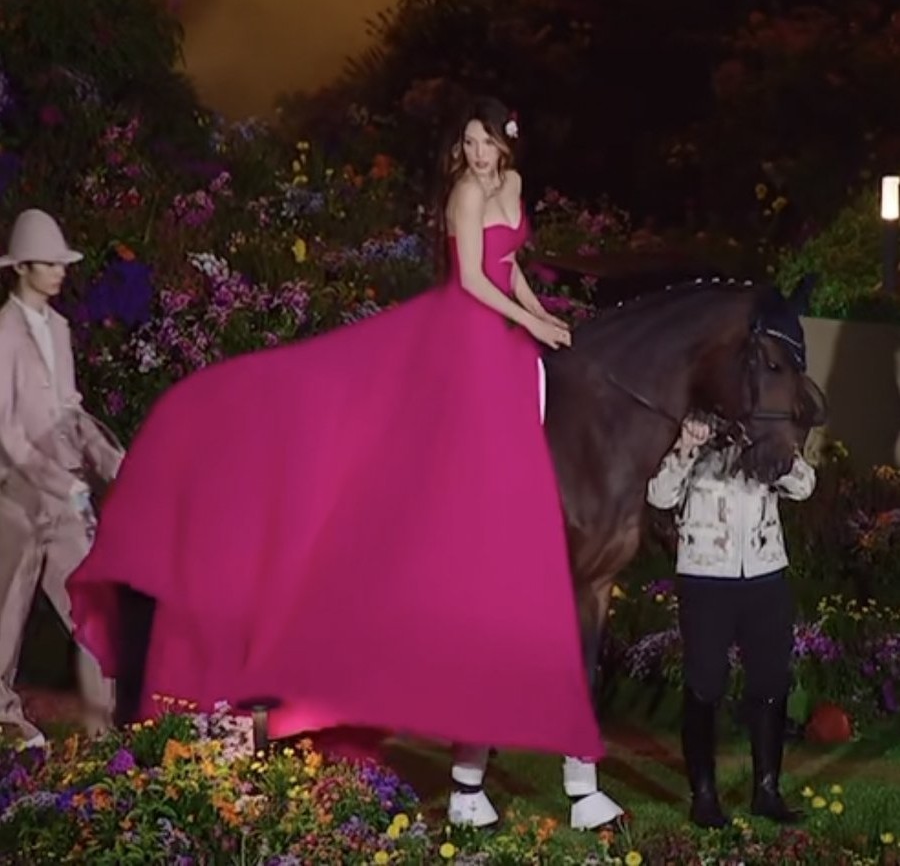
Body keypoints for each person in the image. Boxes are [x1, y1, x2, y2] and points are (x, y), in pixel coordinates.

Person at [67, 97, 621, 828]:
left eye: (486, 142)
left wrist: (543, 313)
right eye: (469, 142)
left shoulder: (513, 188)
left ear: (506, 146)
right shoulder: (464, 193)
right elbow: (472, 282)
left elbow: (510, 267)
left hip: (509, 330)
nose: (477, 154)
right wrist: (527, 321)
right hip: (466, 332)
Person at [647, 416, 816, 828]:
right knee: (704, 684)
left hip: (765, 573)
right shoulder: (693, 432)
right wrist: (686, 448)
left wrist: (778, 455)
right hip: (705, 579)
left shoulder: (764, 432)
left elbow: (805, 486)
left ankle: (767, 791)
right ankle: (704, 796)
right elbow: (660, 495)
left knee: (771, 682)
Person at [0, 208, 123, 747]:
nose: (59, 271)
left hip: (66, 493)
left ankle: (105, 731)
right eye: (48, 263)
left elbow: (69, 408)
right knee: (7, 615)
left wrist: (105, 456)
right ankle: (5, 722)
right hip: (20, 494)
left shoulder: (59, 328)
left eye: (60, 262)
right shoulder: (4, 335)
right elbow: (7, 431)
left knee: (92, 607)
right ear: (22, 268)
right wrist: (53, 479)